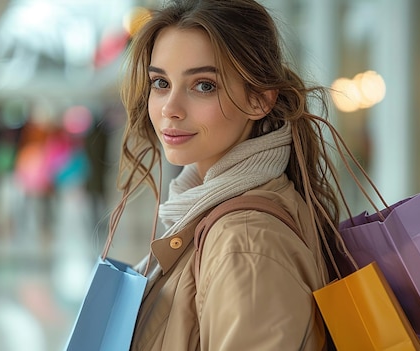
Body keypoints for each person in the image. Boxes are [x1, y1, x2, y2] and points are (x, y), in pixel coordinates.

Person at [114, 0, 342, 349]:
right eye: (160, 83)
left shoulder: (246, 242)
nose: (170, 109)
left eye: (203, 85)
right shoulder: (215, 211)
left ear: (259, 100)